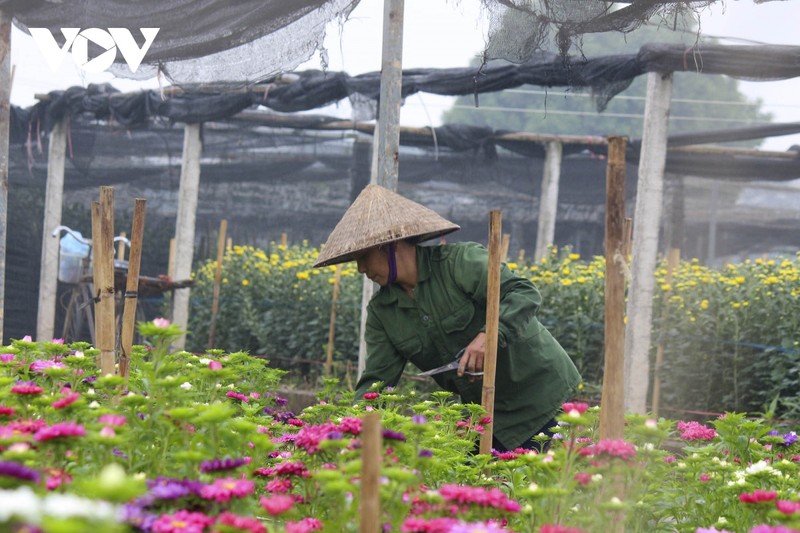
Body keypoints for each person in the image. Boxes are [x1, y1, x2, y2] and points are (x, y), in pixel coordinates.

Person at [313, 184, 581, 452]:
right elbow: (376, 383)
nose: (361, 269)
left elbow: (523, 293)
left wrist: (488, 335)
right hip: (484, 416)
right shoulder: (384, 312)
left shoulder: (460, 263)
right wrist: (346, 431)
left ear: (388, 244)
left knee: (547, 483)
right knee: (471, 485)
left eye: (363, 257)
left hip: (541, 398)